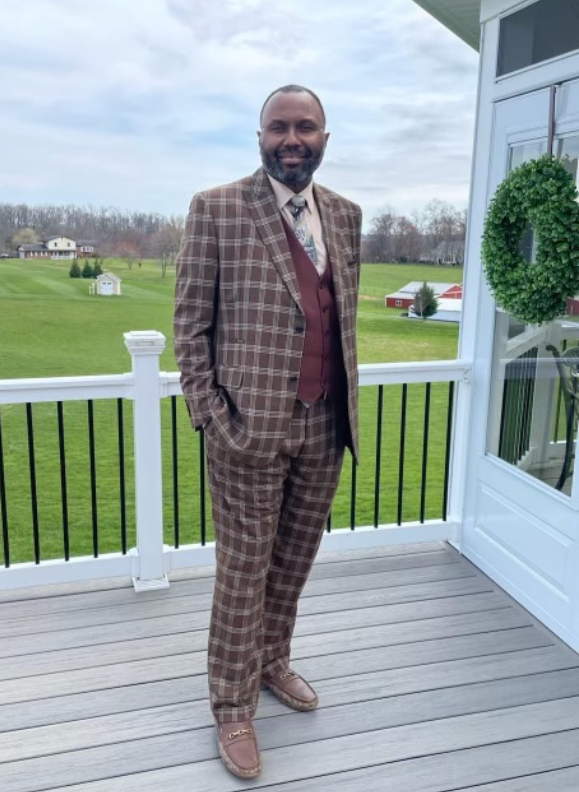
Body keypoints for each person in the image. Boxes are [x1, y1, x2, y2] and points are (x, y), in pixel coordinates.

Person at [174, 84, 362, 779]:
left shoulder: (345, 215)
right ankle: (231, 704)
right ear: (260, 137)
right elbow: (189, 325)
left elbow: (335, 315)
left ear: (324, 138)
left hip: (325, 424)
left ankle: (272, 660)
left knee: (293, 562)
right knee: (244, 570)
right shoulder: (217, 208)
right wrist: (212, 416)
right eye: (278, 127)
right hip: (245, 429)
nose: (292, 139)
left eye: (305, 127)